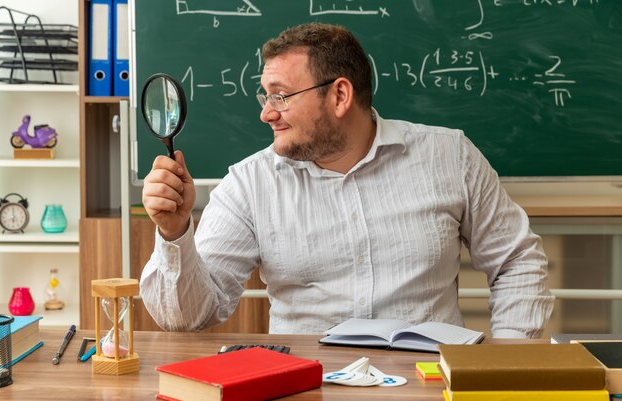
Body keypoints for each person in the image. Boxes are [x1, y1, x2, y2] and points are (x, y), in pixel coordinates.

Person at [140, 22, 554, 338]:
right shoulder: (249, 185)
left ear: (340, 95)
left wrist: (506, 360)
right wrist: (175, 234)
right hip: (305, 386)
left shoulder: (450, 156)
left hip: (425, 383)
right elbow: (188, 319)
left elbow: (516, 260)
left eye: (280, 95)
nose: (266, 113)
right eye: (265, 96)